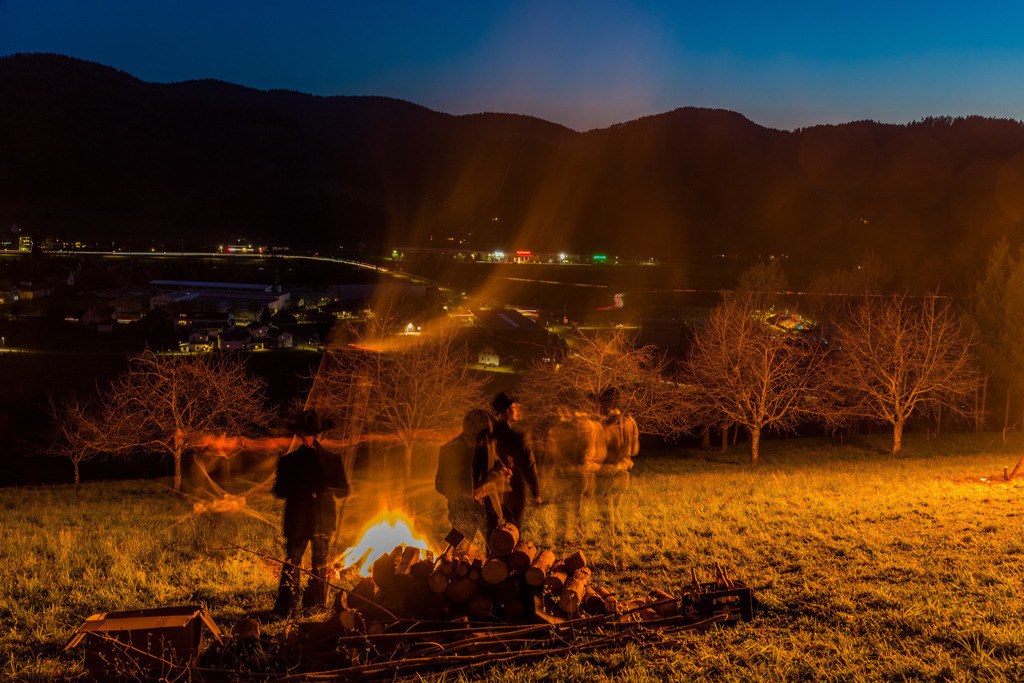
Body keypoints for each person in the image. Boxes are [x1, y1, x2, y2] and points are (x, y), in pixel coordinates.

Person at [272, 409, 349, 617]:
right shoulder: (288, 461)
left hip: (323, 520)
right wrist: (300, 488)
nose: (307, 439)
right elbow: (279, 490)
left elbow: (343, 489)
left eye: (311, 435)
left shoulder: (332, 460)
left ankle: (315, 604)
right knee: (293, 561)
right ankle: (287, 605)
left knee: (320, 563)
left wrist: (326, 486)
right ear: (299, 435)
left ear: (317, 435)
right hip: (299, 520)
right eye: (304, 435)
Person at [475, 392, 541, 536]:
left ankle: (491, 557)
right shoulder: (517, 437)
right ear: (507, 411)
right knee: (512, 533)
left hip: (491, 491)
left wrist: (477, 485)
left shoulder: (485, 435)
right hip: (514, 491)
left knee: (493, 532)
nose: (516, 411)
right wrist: (536, 493)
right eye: (514, 408)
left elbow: (478, 463)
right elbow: (529, 466)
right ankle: (512, 557)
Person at [436, 409, 492, 545]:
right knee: (456, 556)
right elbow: (440, 485)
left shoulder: (489, 449)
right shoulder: (448, 450)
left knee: (498, 552)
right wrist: (464, 494)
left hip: (488, 511)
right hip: (461, 512)